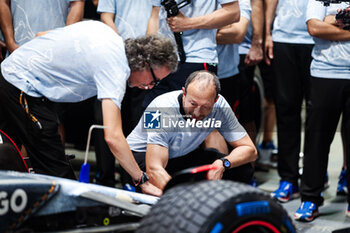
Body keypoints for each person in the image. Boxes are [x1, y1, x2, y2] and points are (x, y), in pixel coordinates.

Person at [0, 20, 178, 196]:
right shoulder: (115, 68)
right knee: (58, 174)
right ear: (144, 64)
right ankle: (63, 220)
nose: (150, 87)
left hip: (11, 74)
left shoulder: (107, 33)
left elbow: (42, 36)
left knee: (8, 155)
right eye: (154, 80)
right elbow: (113, 137)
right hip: (21, 85)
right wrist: (141, 180)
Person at [127, 70, 257, 190]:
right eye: (193, 104)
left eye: (205, 106)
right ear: (184, 93)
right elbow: (154, 169)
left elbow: (250, 150)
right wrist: (184, 198)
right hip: (141, 157)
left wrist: (223, 164)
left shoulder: (220, 106)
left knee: (240, 168)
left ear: (215, 100)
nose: (197, 112)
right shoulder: (159, 107)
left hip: (180, 155)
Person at [294, 1, 350, 221]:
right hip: (325, 74)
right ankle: (310, 198)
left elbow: (324, 27)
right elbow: (315, 28)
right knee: (316, 140)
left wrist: (333, 26)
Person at [95, 0, 153, 187]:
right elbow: (105, 15)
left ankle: (132, 182)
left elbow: (157, 15)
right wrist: (121, 50)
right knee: (106, 125)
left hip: (145, 65)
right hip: (115, 59)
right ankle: (105, 181)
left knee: (137, 128)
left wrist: (145, 54)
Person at [142, 0, 240, 108]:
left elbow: (233, 12)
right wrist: (149, 56)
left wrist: (189, 23)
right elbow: (155, 14)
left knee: (192, 120)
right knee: (152, 119)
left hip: (196, 59)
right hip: (161, 62)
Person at [264, 0, 314, 203]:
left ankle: (315, 173)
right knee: (286, 109)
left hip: (318, 39)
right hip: (283, 37)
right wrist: (267, 32)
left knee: (317, 113)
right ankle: (288, 179)